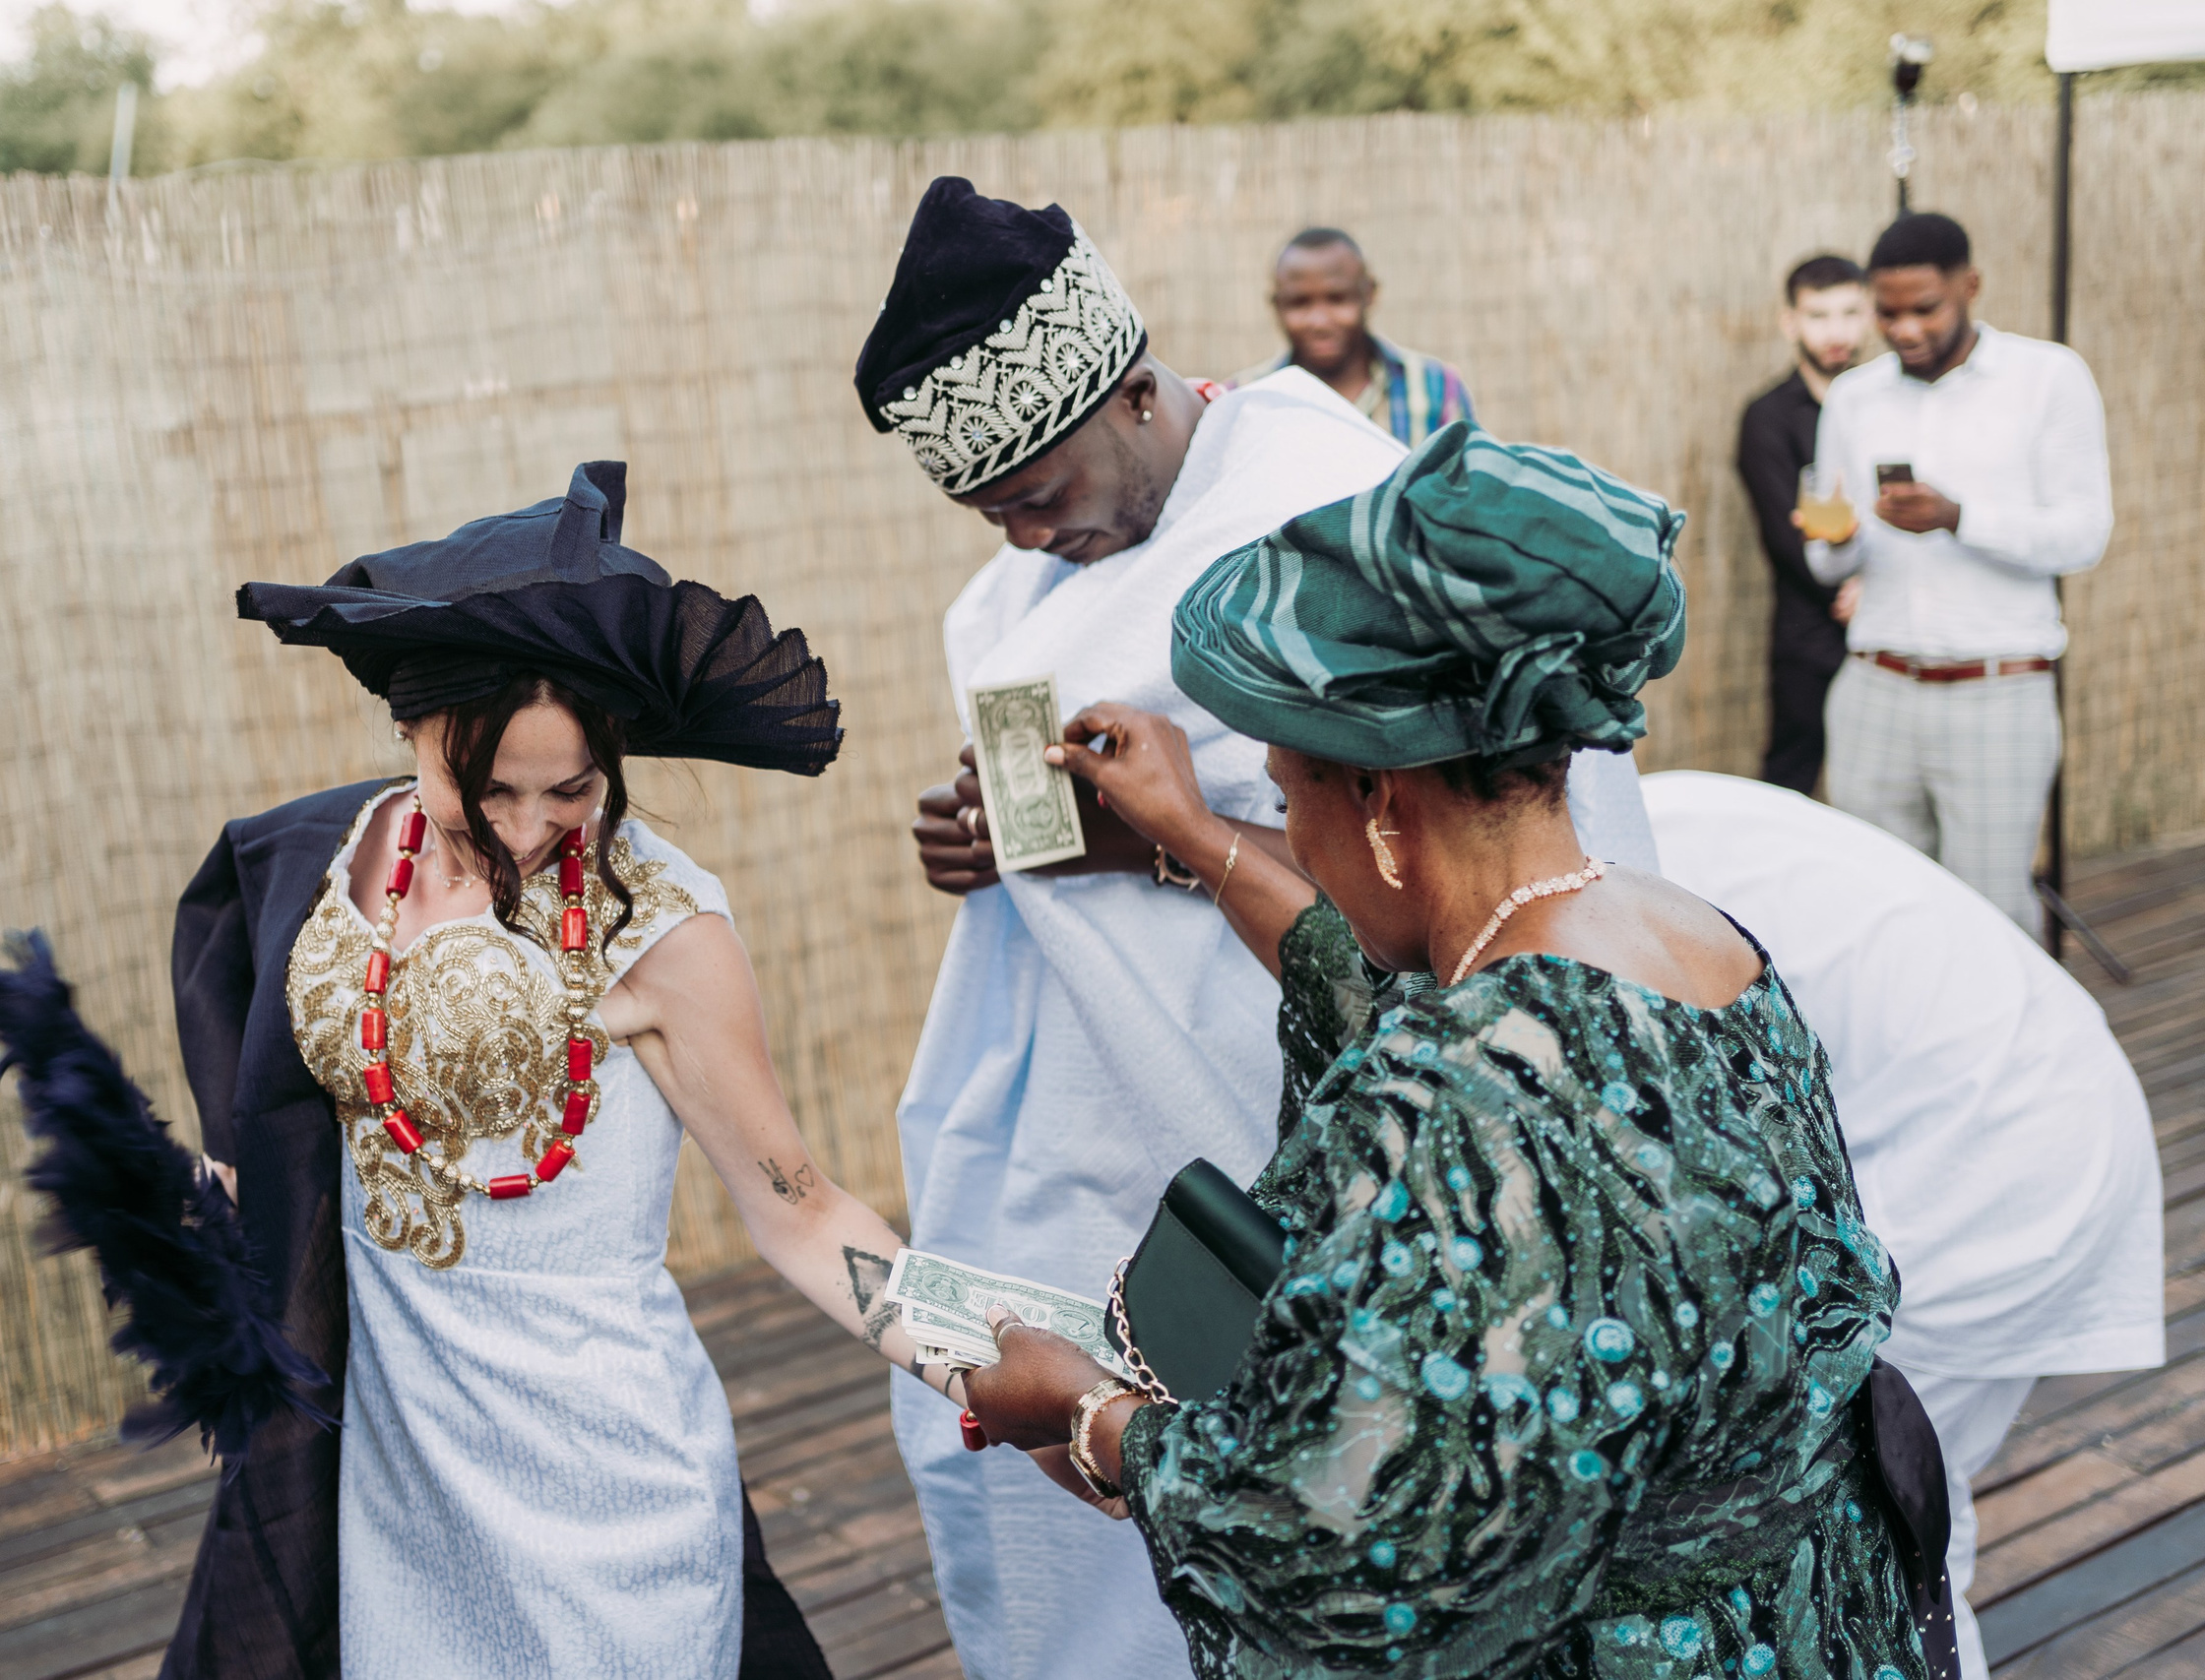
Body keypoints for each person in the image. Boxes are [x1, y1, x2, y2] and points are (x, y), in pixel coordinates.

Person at [0, 465, 957, 1680]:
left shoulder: (664, 930)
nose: (530, 828)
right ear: (411, 729)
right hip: (403, 1483)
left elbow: (803, 1212)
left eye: (571, 790)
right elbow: (286, 1120)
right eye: (485, 786)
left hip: (605, 1482)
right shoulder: (329, 865)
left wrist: (997, 1368)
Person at [965, 423, 1936, 1678]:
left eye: (1283, 799)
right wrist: (1192, 833)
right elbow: (1358, 976)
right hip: (1809, 1620)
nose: (1291, 841)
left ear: (1378, 802)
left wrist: (1098, 1422)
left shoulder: (1469, 1091)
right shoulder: (1685, 938)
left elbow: (1366, 1568)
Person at [853, 178, 1657, 1680]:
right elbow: (1069, 805)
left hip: (1304, 1091)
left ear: (1138, 391)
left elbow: (1481, 856)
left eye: (1034, 486)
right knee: (1052, 1491)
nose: (1019, 531)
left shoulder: (1324, 508)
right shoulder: (1040, 572)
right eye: (986, 508)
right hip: (1092, 1098)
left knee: (1293, 1448)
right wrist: (999, 846)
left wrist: (1156, 838)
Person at [1643, 769, 2163, 1680]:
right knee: (1909, 1508)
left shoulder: (1586, 897)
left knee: (1874, 1526)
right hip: (2033, 1092)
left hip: (1993, 1151)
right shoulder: (1651, 818)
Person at [1804, 212, 2112, 935]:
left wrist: (1958, 517)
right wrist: (1840, 535)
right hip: (1873, 689)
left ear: (1969, 286)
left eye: (1925, 309)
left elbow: (2083, 535)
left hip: (1996, 692)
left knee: (1989, 920)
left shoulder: (2048, 378)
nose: (1905, 329)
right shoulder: (1854, 397)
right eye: (1888, 313)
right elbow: (1826, 559)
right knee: (1872, 908)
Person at [1735, 253, 1869, 793]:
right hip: (1810, 634)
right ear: (1790, 322)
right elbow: (1786, 538)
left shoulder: (1885, 405)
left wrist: (1876, 587)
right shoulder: (1768, 417)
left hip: (1891, 632)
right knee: (1791, 785)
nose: (1836, 332)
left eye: (1848, 312)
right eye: (1818, 316)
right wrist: (1849, 585)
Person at [1228, 227, 1474, 448]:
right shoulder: (1241, 402)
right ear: (1277, 306)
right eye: (1299, 303)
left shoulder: (1436, 388)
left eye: (1337, 299)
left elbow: (1464, 494)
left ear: (1368, 294)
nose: (1320, 322)